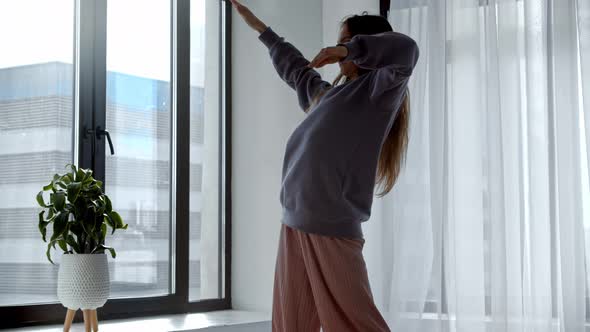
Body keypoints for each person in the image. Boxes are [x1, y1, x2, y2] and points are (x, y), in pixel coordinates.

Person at [230, 1, 419, 331]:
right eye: (340, 41)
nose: (341, 49)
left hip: (332, 222)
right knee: (291, 323)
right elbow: (297, 71)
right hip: (294, 220)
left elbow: (407, 49)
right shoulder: (328, 96)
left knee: (355, 322)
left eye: (347, 41)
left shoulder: (378, 93)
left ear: (367, 46)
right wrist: (263, 30)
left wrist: (346, 50)